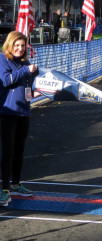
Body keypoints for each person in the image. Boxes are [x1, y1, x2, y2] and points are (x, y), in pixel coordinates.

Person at [0, 31, 38, 206]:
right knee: (7, 152)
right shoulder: (3, 59)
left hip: (24, 112)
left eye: (23, 46)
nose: (20, 48)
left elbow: (27, 86)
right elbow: (6, 80)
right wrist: (25, 70)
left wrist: (31, 95)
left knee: (19, 151)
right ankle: (4, 189)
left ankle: (16, 184)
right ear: (10, 45)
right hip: (7, 113)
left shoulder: (25, 62)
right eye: (17, 45)